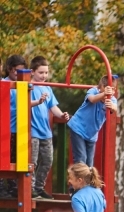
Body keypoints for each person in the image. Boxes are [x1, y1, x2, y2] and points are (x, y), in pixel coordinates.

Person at [30, 56, 70, 200]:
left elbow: (53, 107)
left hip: (45, 131)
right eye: (41, 73)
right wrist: (38, 100)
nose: (44, 76)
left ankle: (39, 187)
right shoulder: (29, 86)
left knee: (47, 160)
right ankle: (30, 188)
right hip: (32, 130)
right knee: (32, 162)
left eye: (46, 73)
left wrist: (62, 115)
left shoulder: (47, 87)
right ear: (33, 72)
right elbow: (25, 103)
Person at [67, 75, 118, 167]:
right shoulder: (93, 91)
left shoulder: (112, 99)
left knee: (89, 163)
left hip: (91, 135)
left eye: (112, 91)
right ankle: (79, 180)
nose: (107, 95)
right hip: (78, 128)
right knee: (81, 159)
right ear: (99, 88)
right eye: (105, 91)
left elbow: (115, 108)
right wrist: (104, 94)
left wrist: (112, 107)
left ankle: (87, 181)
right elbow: (92, 99)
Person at [0, 55, 27, 199]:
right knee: (2, 157)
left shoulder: (22, 85)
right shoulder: (4, 83)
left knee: (15, 159)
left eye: (22, 71)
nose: (19, 74)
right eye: (17, 71)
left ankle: (13, 187)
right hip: (4, 128)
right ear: (9, 69)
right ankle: (1, 188)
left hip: (18, 128)